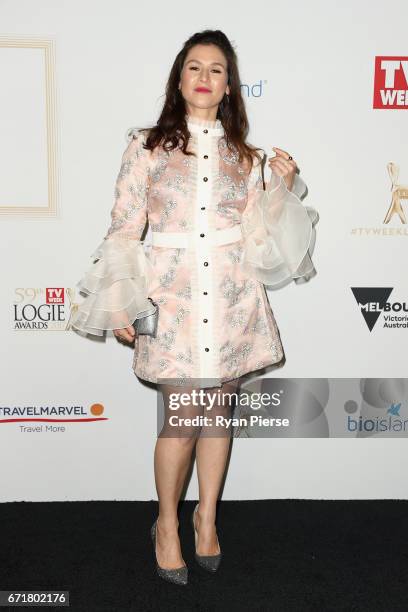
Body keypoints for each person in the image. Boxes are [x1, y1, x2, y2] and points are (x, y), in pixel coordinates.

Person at [71, 29, 318, 586]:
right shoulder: (146, 144)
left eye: (216, 70)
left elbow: (267, 242)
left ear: (229, 85)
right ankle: (165, 524)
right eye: (194, 67)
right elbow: (124, 228)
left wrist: (283, 189)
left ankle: (206, 517)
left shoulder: (246, 156)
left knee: (217, 419)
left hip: (231, 298)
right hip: (172, 296)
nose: (204, 78)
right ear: (178, 79)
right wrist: (120, 304)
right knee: (182, 420)